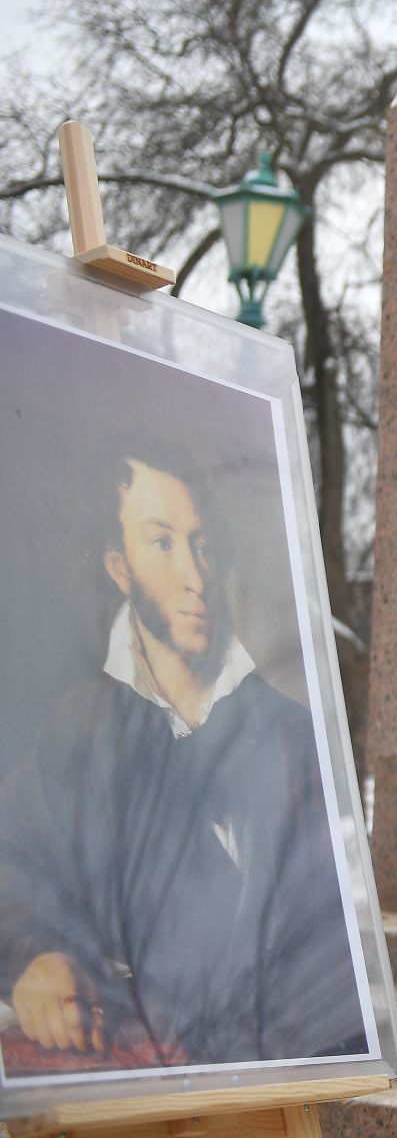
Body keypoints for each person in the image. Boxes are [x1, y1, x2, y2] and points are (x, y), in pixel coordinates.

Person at [0, 439, 368, 1072]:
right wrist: (35, 958)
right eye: (163, 544)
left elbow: (330, 956)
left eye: (200, 544)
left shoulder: (293, 738)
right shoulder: (78, 733)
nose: (195, 578)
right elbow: (14, 869)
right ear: (119, 568)